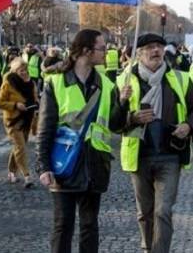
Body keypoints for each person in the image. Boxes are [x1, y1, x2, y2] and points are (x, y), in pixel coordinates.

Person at [35, 29, 126, 253]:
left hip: (95, 163)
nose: (107, 52)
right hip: (64, 164)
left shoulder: (107, 84)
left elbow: (114, 125)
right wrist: (43, 166)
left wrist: (122, 102)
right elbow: (44, 128)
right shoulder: (55, 82)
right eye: (102, 48)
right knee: (63, 225)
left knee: (89, 226)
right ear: (86, 51)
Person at [117, 33, 193, 253]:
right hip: (139, 155)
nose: (156, 51)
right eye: (150, 47)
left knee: (163, 211)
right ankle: (148, 248)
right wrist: (131, 117)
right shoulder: (123, 82)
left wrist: (190, 126)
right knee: (144, 213)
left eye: (159, 47)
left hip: (170, 154)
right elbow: (113, 121)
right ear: (138, 53)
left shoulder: (181, 79)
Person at [0, 58, 38, 187]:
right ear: (14, 71)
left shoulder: (31, 83)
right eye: (21, 70)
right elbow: (0, 102)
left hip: (27, 119)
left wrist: (37, 105)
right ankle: (27, 176)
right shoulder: (8, 83)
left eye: (25, 70)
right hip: (13, 120)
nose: (24, 72)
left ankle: (11, 171)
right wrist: (15, 105)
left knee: (18, 147)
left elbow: (35, 99)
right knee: (20, 147)